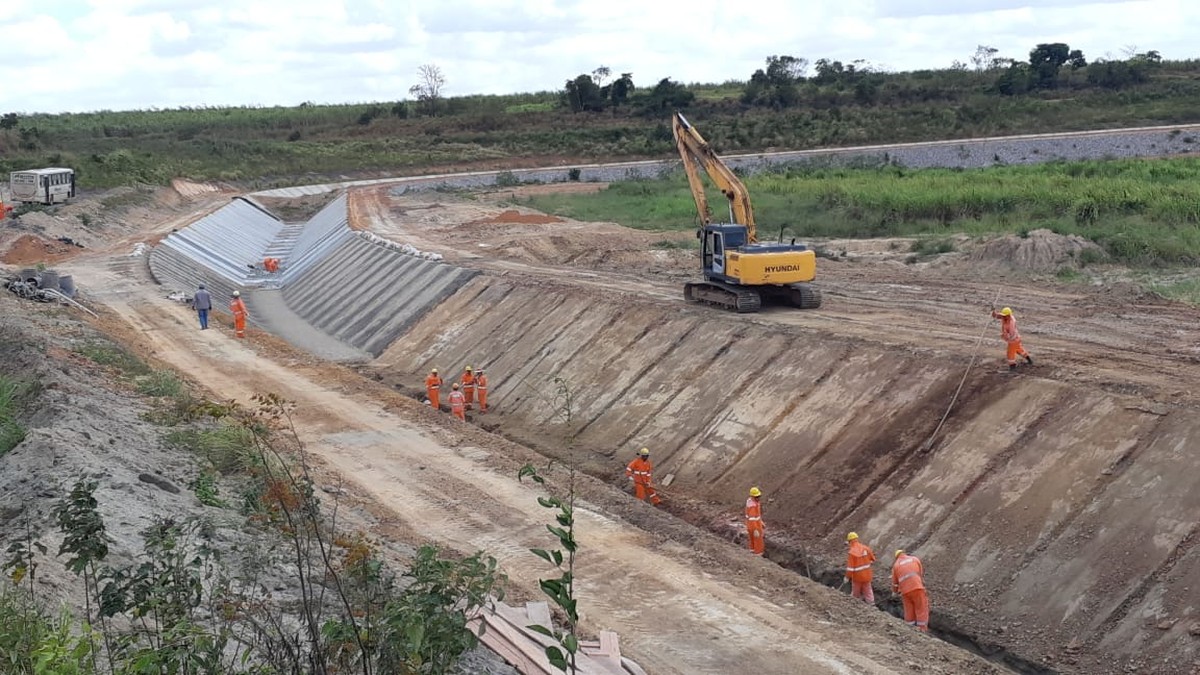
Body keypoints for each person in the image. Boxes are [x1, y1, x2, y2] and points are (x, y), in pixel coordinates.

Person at [891, 549, 930, 632]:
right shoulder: (914, 559)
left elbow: (895, 583)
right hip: (917, 588)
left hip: (905, 591)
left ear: (896, 557)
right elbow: (919, 573)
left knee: (909, 609)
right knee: (921, 608)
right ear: (904, 553)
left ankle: (909, 628)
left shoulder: (896, 565)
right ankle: (922, 629)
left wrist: (894, 592)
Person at [991, 306, 1033, 371]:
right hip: (1016, 339)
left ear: (1009, 315)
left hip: (1013, 340)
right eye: (1003, 315)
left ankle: (1012, 366)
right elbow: (996, 316)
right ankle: (1029, 360)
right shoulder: (1005, 317)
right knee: (1019, 350)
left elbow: (1011, 335)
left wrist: (1004, 335)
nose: (1003, 317)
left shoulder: (1011, 323)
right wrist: (993, 311)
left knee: (1010, 353)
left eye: (1005, 316)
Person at [844, 532, 876, 604]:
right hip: (867, 575)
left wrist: (847, 577)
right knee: (868, 591)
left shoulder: (852, 552)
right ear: (857, 539)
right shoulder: (866, 548)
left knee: (856, 592)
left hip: (857, 577)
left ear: (850, 541)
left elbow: (850, 568)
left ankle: (855, 603)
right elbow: (873, 559)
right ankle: (871, 604)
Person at [745, 487, 765, 556]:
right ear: (752, 497)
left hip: (751, 525)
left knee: (752, 540)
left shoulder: (751, 502)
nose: (758, 498)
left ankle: (752, 552)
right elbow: (752, 518)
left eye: (759, 496)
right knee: (758, 541)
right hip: (754, 525)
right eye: (756, 497)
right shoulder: (753, 506)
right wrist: (755, 529)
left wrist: (761, 521)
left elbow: (756, 516)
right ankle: (758, 554)